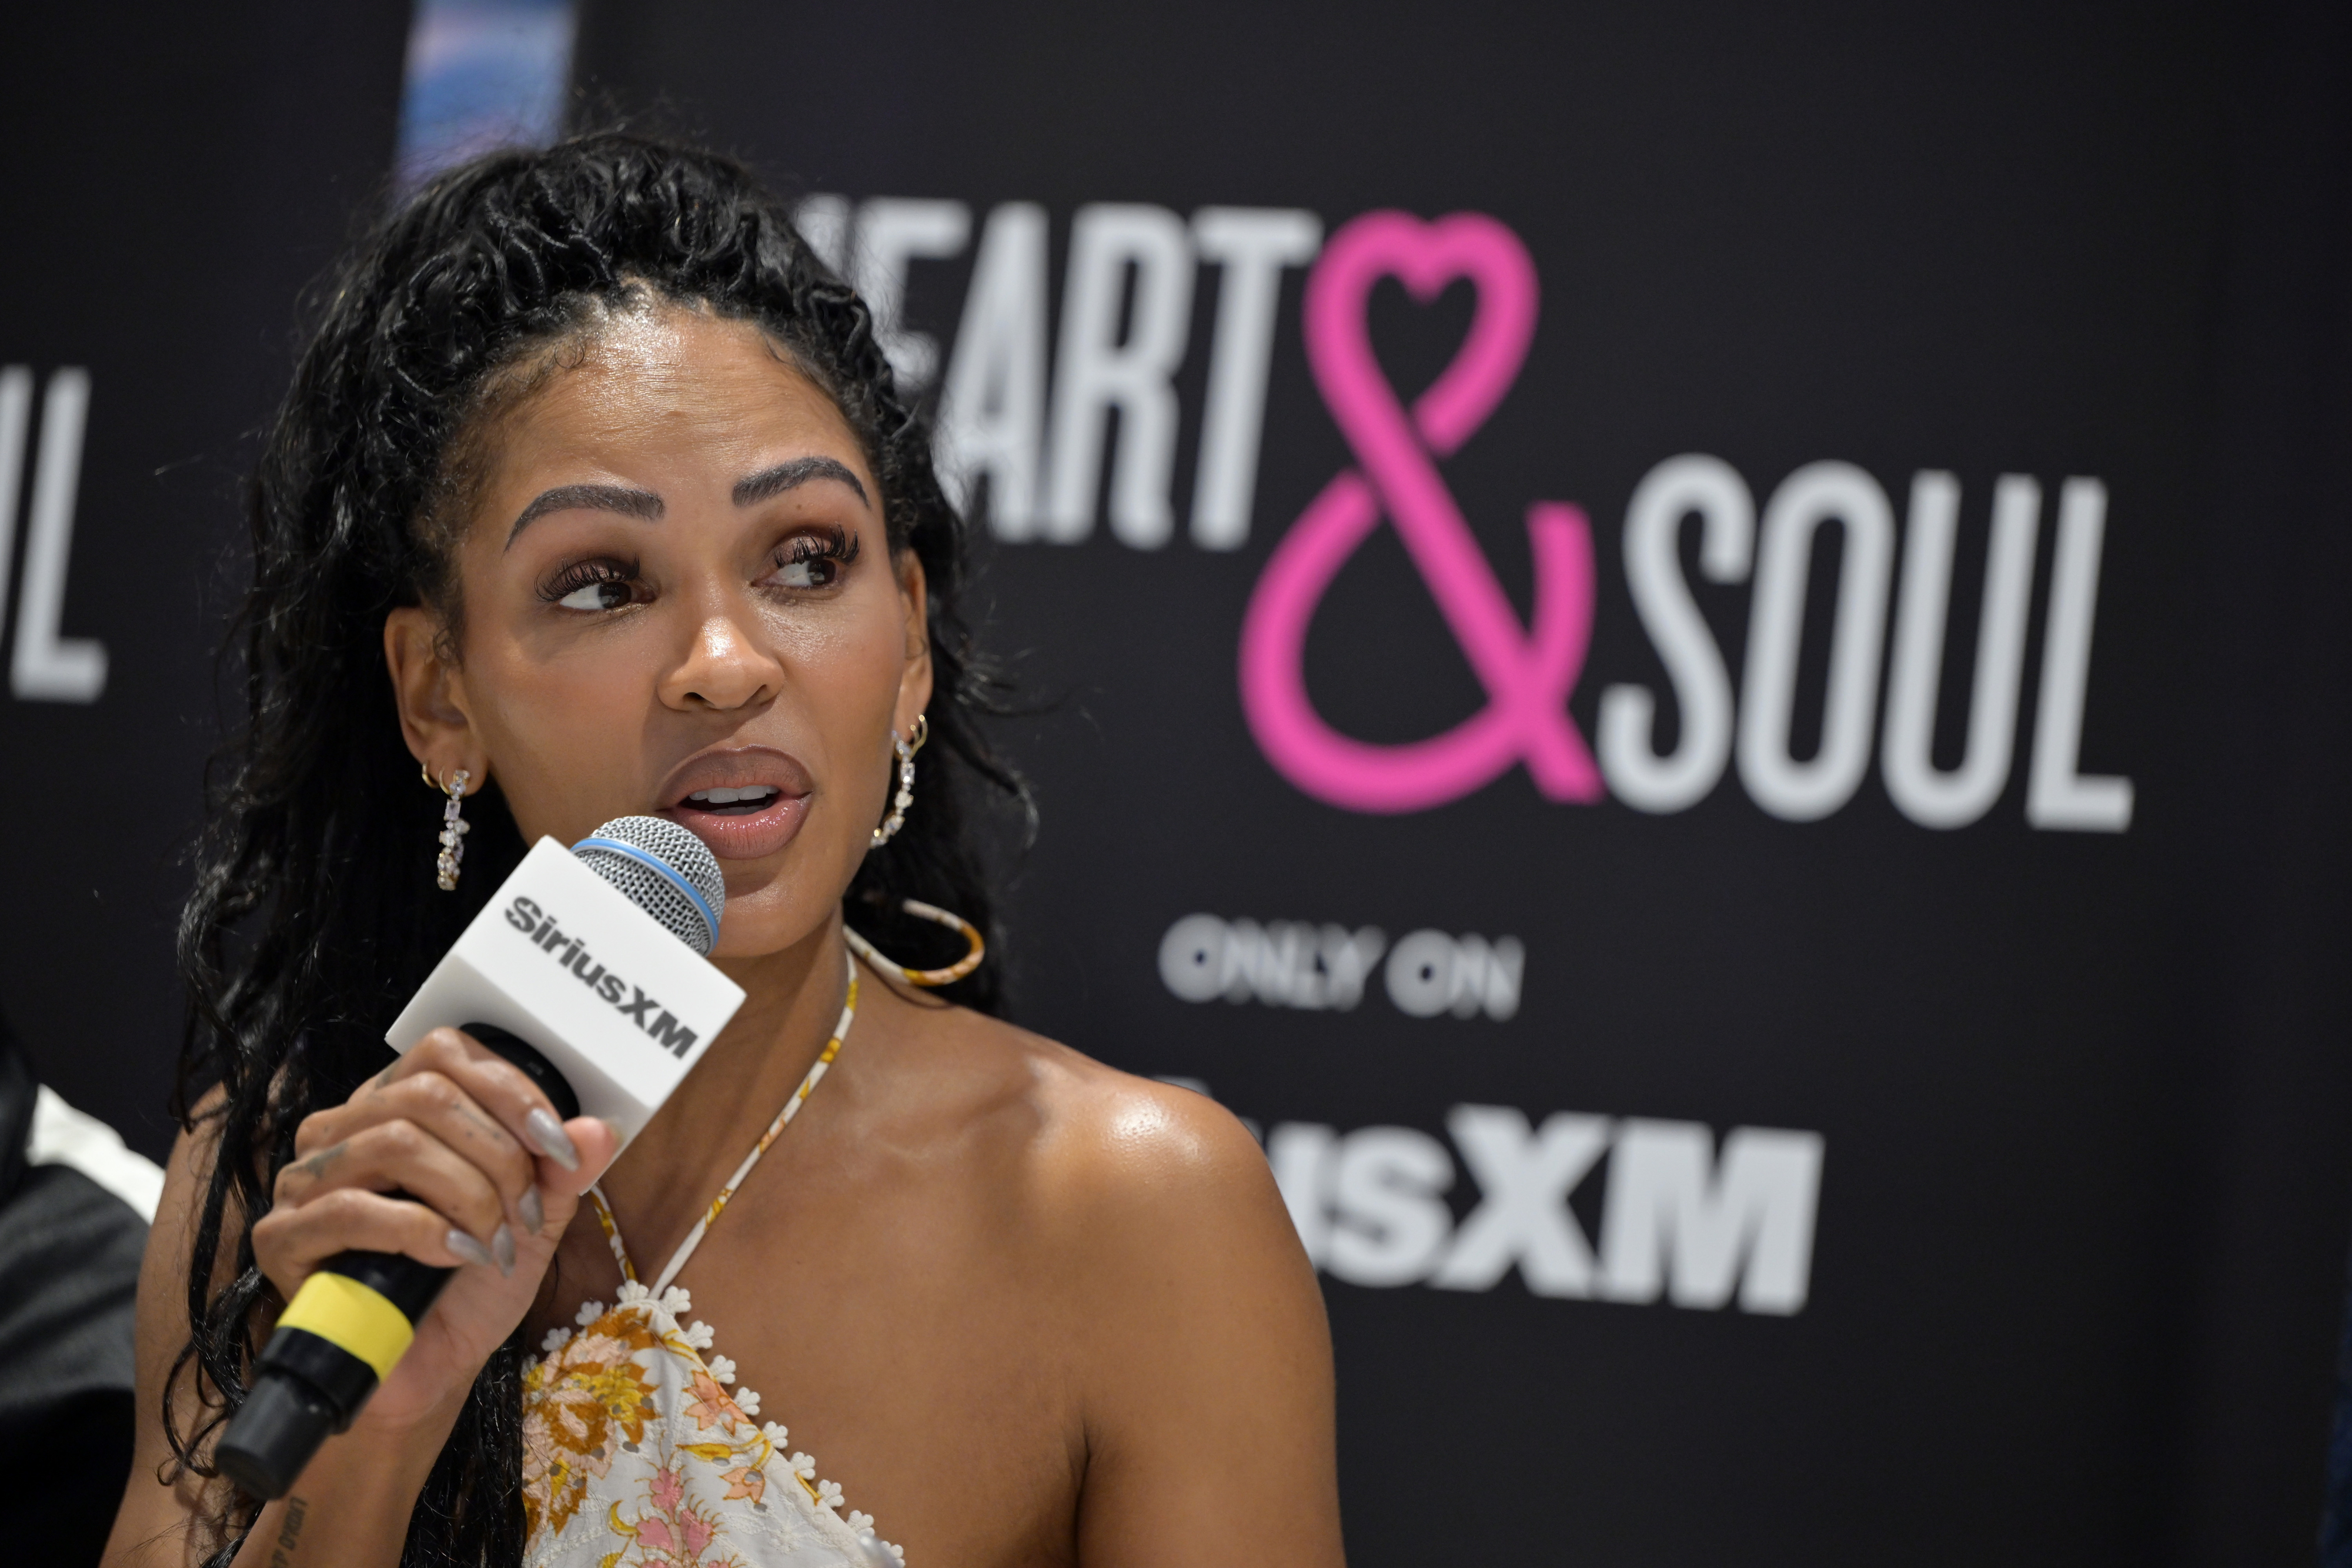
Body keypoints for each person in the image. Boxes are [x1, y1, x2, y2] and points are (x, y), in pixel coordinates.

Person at [101, 132, 1341, 1568]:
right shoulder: (297, 1176)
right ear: (441, 695)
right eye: (602, 583)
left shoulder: (1130, 1212)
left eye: (804, 559)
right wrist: (382, 1426)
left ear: (911, 647)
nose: (722, 662)